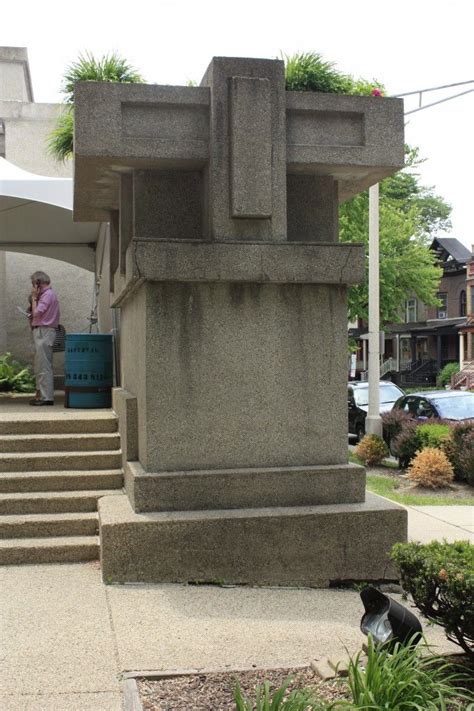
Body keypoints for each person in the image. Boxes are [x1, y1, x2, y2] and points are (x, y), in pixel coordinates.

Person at [29, 271, 60, 406]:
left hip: (44, 331)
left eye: (33, 284)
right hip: (43, 331)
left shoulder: (47, 295)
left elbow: (37, 312)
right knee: (41, 364)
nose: (32, 288)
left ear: (38, 284)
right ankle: (43, 395)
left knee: (44, 365)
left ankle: (47, 398)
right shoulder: (49, 295)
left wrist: (35, 298)